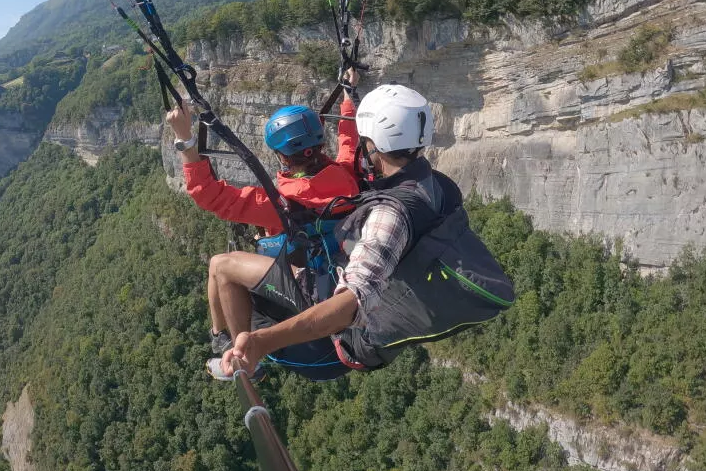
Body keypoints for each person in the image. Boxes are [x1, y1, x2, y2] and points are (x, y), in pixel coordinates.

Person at [219, 83, 516, 378]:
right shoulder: (435, 183)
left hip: (337, 347)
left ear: (374, 144)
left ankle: (237, 352)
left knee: (231, 273)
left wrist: (261, 343)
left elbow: (348, 306)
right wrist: (350, 96)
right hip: (374, 313)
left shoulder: (389, 215)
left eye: (365, 139)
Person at [165, 71, 362, 381]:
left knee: (221, 265)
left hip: (314, 288)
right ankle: (223, 340)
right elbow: (350, 141)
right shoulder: (349, 174)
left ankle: (238, 355)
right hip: (342, 272)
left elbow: (210, 196)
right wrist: (349, 96)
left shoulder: (281, 203)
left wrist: (185, 140)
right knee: (255, 251)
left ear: (281, 155)